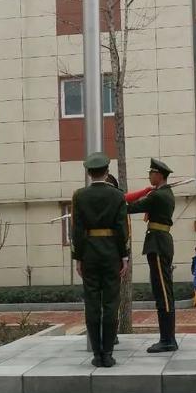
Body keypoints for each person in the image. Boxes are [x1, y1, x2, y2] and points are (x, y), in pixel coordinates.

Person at [71, 152, 129, 368]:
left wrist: (78, 257)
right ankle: (108, 353)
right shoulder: (118, 195)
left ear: (89, 172)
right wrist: (124, 255)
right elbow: (122, 229)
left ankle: (97, 354)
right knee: (111, 303)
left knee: (92, 303)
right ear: (107, 172)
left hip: (89, 255)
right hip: (112, 254)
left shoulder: (79, 196)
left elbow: (77, 230)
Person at [127, 158, 178, 353]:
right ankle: (167, 338)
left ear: (159, 175)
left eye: (151, 173)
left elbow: (130, 207)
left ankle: (167, 340)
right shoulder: (163, 193)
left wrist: (108, 205)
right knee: (163, 292)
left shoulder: (158, 195)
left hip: (157, 244)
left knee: (163, 293)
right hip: (160, 242)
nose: (149, 176)